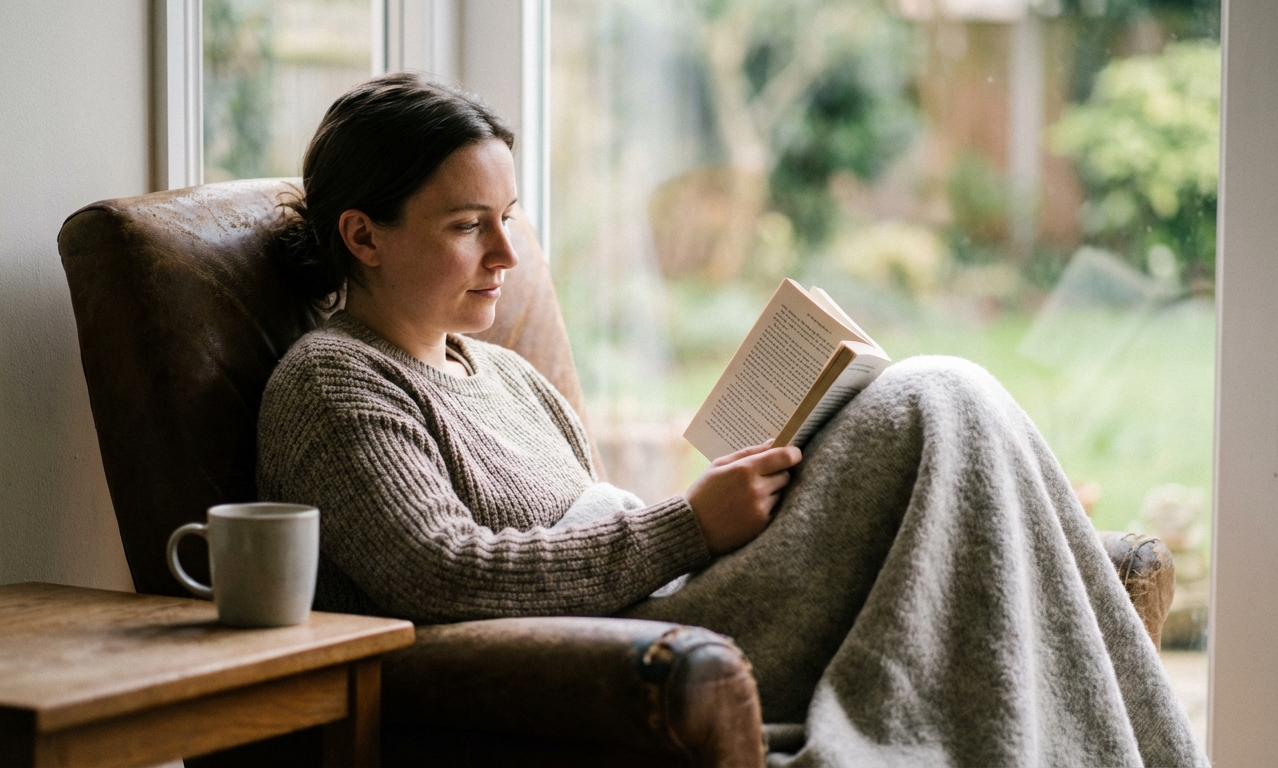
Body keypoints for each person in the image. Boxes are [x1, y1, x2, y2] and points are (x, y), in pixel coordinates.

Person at [257, 72, 1205, 767]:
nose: (508, 251)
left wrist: (724, 504)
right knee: (941, 393)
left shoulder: (504, 375)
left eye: (510, 216)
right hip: (620, 647)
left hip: (677, 597)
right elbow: (441, 573)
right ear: (363, 234)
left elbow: (602, 527)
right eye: (469, 225)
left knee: (940, 403)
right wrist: (689, 524)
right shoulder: (335, 380)